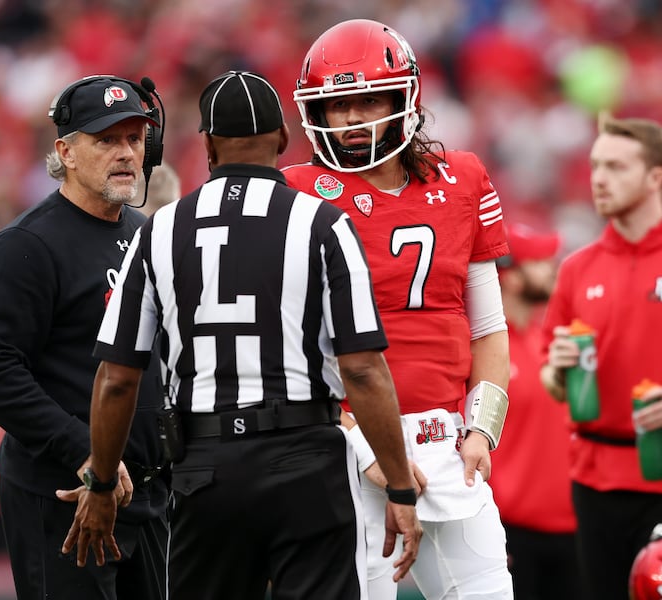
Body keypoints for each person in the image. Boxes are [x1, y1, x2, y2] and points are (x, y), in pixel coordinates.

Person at [60, 70, 422, 600]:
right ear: (282, 140)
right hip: (306, 461)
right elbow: (363, 368)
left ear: (207, 146)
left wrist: (100, 482)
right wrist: (400, 486)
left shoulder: (159, 230)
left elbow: (117, 378)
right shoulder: (324, 225)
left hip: (205, 467)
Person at [284, 18, 514, 599]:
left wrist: (482, 431)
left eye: (368, 100)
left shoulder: (461, 179)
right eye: (337, 106)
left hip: (445, 443)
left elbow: (487, 326)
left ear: (404, 96)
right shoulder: (296, 190)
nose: (353, 119)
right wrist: (366, 449)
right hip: (341, 446)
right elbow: (284, 343)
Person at [0, 75, 170, 600]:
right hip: (63, 495)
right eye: (106, 140)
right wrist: (85, 451)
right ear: (66, 152)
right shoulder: (26, 247)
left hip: (146, 495)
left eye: (134, 139)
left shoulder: (147, 235)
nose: (125, 153)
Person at [540, 113, 662, 600]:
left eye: (616, 167)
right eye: (595, 166)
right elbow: (551, 376)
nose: (599, 179)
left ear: (656, 177)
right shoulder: (575, 269)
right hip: (595, 481)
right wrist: (559, 368)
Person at [489, 223, 582, 599]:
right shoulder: (484, 351)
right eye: (541, 262)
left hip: (574, 531)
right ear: (509, 278)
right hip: (513, 534)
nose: (553, 269)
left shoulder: (553, 341)